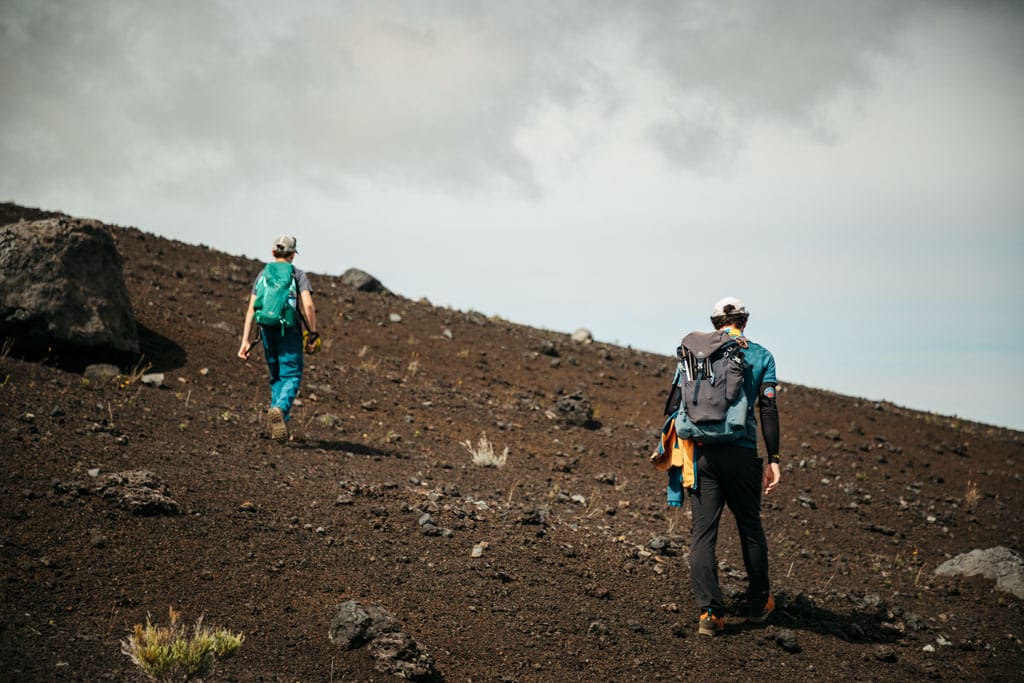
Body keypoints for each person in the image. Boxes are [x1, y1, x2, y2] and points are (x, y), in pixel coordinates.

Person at [686, 296, 781, 636]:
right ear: (745, 320)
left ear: (715, 323)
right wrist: (774, 459)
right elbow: (767, 410)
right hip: (742, 454)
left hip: (702, 454)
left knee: (702, 535)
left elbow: (675, 402)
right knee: (750, 528)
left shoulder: (696, 352)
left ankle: (710, 613)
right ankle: (758, 604)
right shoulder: (761, 355)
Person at [237, 235, 319, 441]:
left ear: (273, 252)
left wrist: (245, 341)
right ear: (293, 255)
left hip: (265, 329)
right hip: (289, 330)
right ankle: (280, 409)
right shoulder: (298, 275)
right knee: (291, 374)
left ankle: (278, 421)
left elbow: (250, 310)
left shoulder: (263, 274)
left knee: (276, 375)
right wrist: (312, 332)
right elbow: (308, 305)